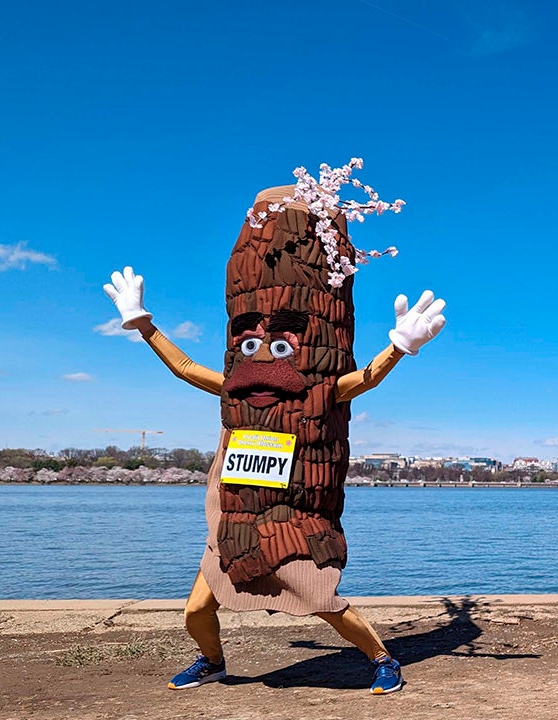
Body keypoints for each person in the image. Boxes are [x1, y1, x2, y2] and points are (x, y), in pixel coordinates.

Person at [103, 186, 445, 694]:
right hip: (236, 513)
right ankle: (212, 660)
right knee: (196, 609)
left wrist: (398, 347)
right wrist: (142, 324)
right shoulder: (237, 389)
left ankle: (382, 660)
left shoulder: (319, 390)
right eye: (249, 343)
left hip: (294, 516)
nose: (261, 354)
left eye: (279, 344)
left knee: (323, 600)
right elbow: (187, 368)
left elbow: (363, 380)